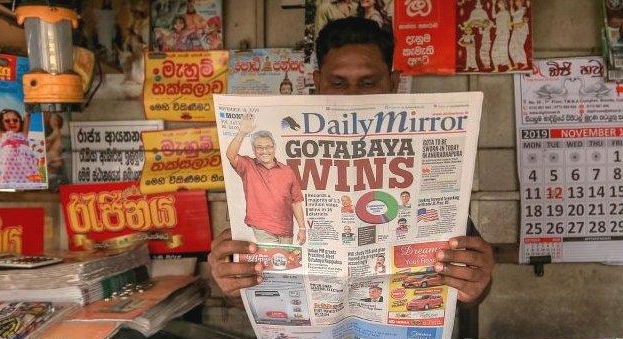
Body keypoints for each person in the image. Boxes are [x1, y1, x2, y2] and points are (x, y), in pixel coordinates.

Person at [209, 17, 495, 309]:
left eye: (368, 83)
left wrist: (477, 281)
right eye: (338, 83)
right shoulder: (277, 159)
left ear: (393, 83)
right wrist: (229, 281)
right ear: (318, 82)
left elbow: (469, 290)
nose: (353, 97)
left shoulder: (420, 160)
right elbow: (242, 287)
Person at [225, 114, 307, 245]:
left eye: (268, 146)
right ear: (254, 150)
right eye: (259, 147)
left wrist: (302, 228)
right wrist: (242, 133)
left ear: (274, 147)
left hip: (286, 228)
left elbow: (296, 201)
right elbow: (230, 155)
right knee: (273, 262)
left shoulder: (287, 171)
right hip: (262, 226)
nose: (264, 151)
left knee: (284, 263)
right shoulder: (248, 165)